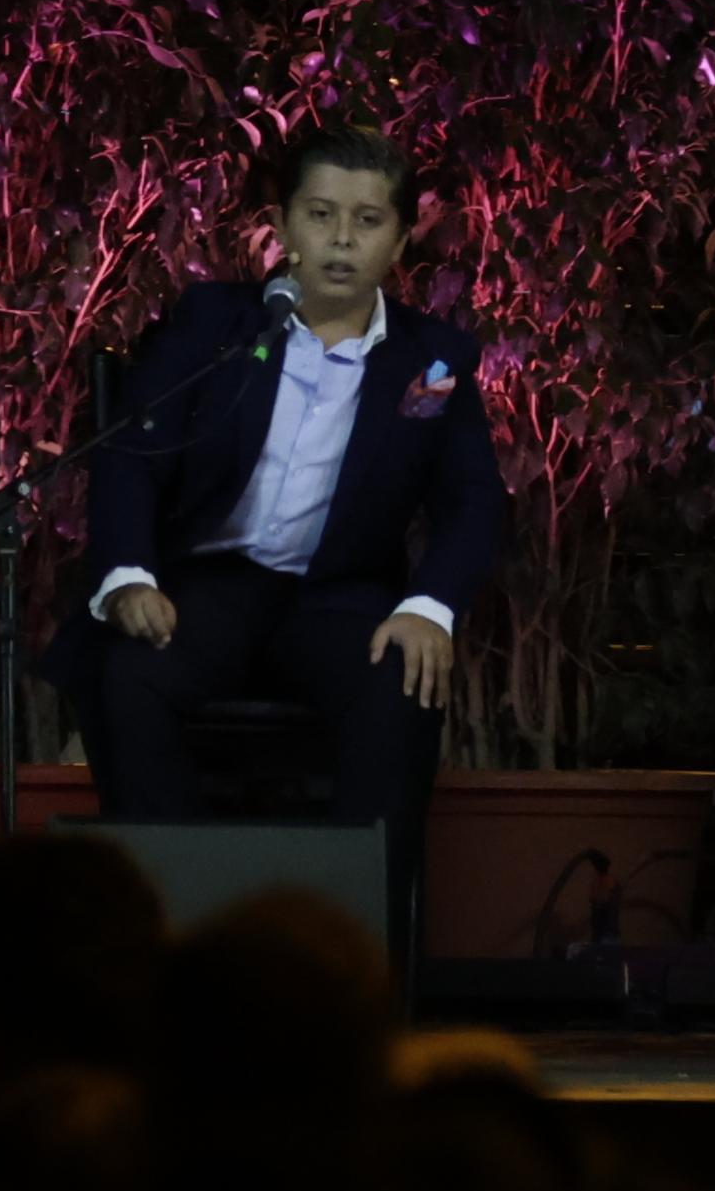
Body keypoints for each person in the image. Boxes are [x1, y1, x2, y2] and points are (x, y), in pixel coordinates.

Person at [63, 127, 504, 942]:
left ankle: (350, 953)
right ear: (284, 226)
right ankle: (173, 929)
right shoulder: (213, 324)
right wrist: (128, 574)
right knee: (128, 672)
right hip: (210, 585)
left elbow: (473, 501)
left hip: (340, 597)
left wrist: (431, 606)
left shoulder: (433, 359)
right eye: (321, 214)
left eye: (368, 220)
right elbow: (131, 452)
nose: (342, 239)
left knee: (403, 682)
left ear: (403, 238)